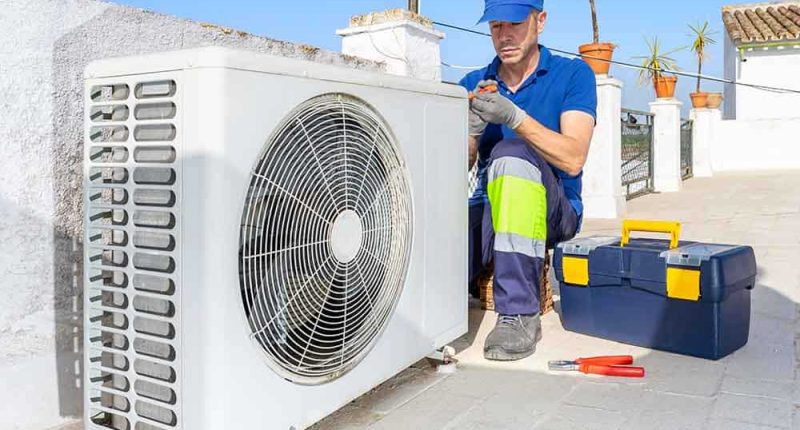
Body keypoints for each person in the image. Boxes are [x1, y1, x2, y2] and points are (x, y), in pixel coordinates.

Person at [460, 0, 598, 361]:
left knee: (511, 153)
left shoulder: (573, 74)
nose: (504, 36)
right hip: (490, 207)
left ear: (540, 21)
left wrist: (516, 118)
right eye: (495, 27)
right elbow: (461, 165)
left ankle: (519, 314)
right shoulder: (474, 83)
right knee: (439, 266)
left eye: (515, 24)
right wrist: (471, 134)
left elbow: (573, 158)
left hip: (555, 210)